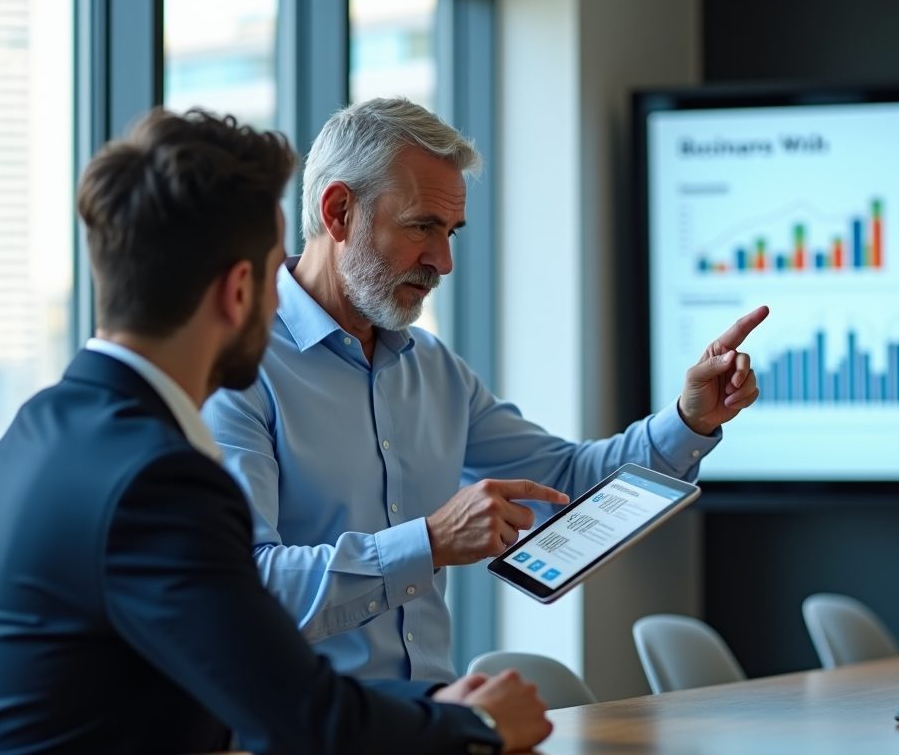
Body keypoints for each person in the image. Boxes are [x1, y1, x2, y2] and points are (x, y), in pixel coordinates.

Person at [0, 109, 551, 755]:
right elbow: (301, 718)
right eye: (272, 274)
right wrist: (477, 726)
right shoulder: (161, 481)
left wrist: (434, 703)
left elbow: (264, 688)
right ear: (239, 292)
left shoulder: (38, 430)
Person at [204, 97, 768, 684]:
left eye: (450, 233)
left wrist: (688, 421)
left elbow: (568, 487)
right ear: (340, 210)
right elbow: (244, 586)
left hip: (439, 722)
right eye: (423, 226)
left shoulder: (435, 371)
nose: (443, 261)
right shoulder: (235, 370)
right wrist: (429, 541)